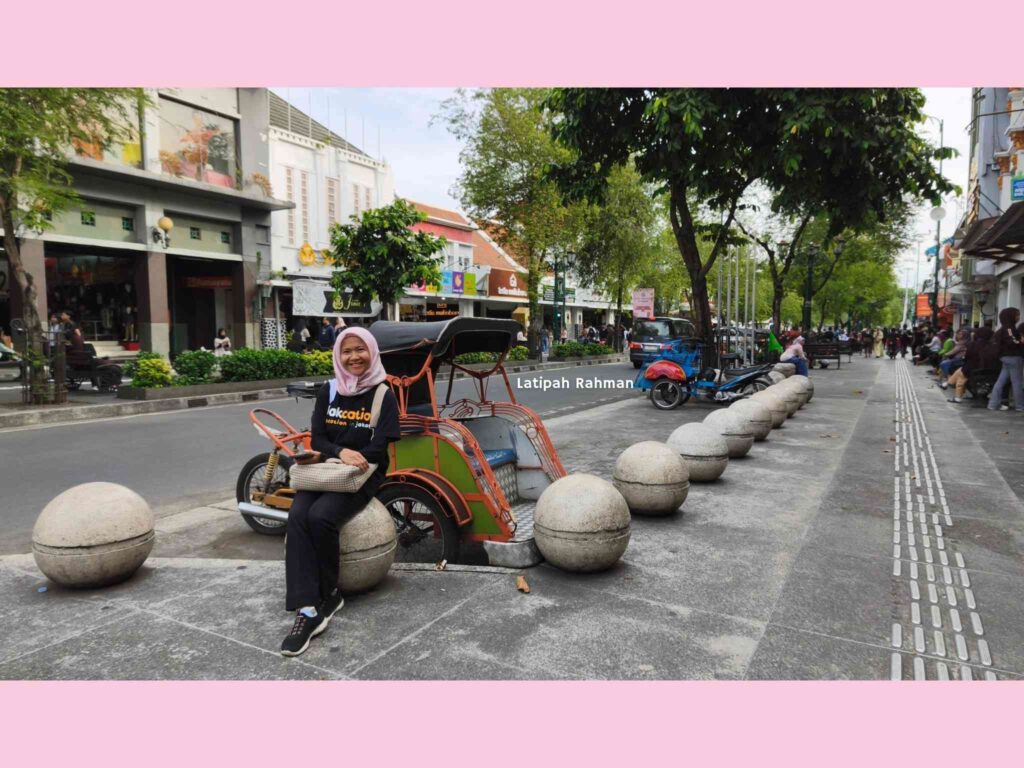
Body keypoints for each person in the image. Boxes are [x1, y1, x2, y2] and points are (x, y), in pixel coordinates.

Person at [281, 328, 401, 657]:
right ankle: (307, 609)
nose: (353, 357)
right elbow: (317, 438)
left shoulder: (382, 394)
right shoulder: (330, 390)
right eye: (346, 351)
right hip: (328, 469)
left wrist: (351, 457)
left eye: (360, 349)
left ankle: (331, 592)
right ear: (337, 355)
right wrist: (338, 453)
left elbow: (379, 447)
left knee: (320, 517)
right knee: (297, 515)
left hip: (365, 473)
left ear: (371, 352)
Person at [945, 326, 996, 403]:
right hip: (991, 371)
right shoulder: (992, 345)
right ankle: (949, 383)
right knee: (962, 370)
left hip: (975, 371)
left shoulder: (974, 344)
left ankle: (954, 391)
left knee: (962, 374)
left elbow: (967, 356)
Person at [987, 307, 1023, 412]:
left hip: (1005, 358)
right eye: (1017, 315)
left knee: (1000, 382)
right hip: (1013, 357)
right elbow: (1012, 342)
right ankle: (1020, 406)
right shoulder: (1009, 329)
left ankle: (993, 404)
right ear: (1011, 316)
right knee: (1017, 382)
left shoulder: (1003, 329)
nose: (1018, 317)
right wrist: (1021, 341)